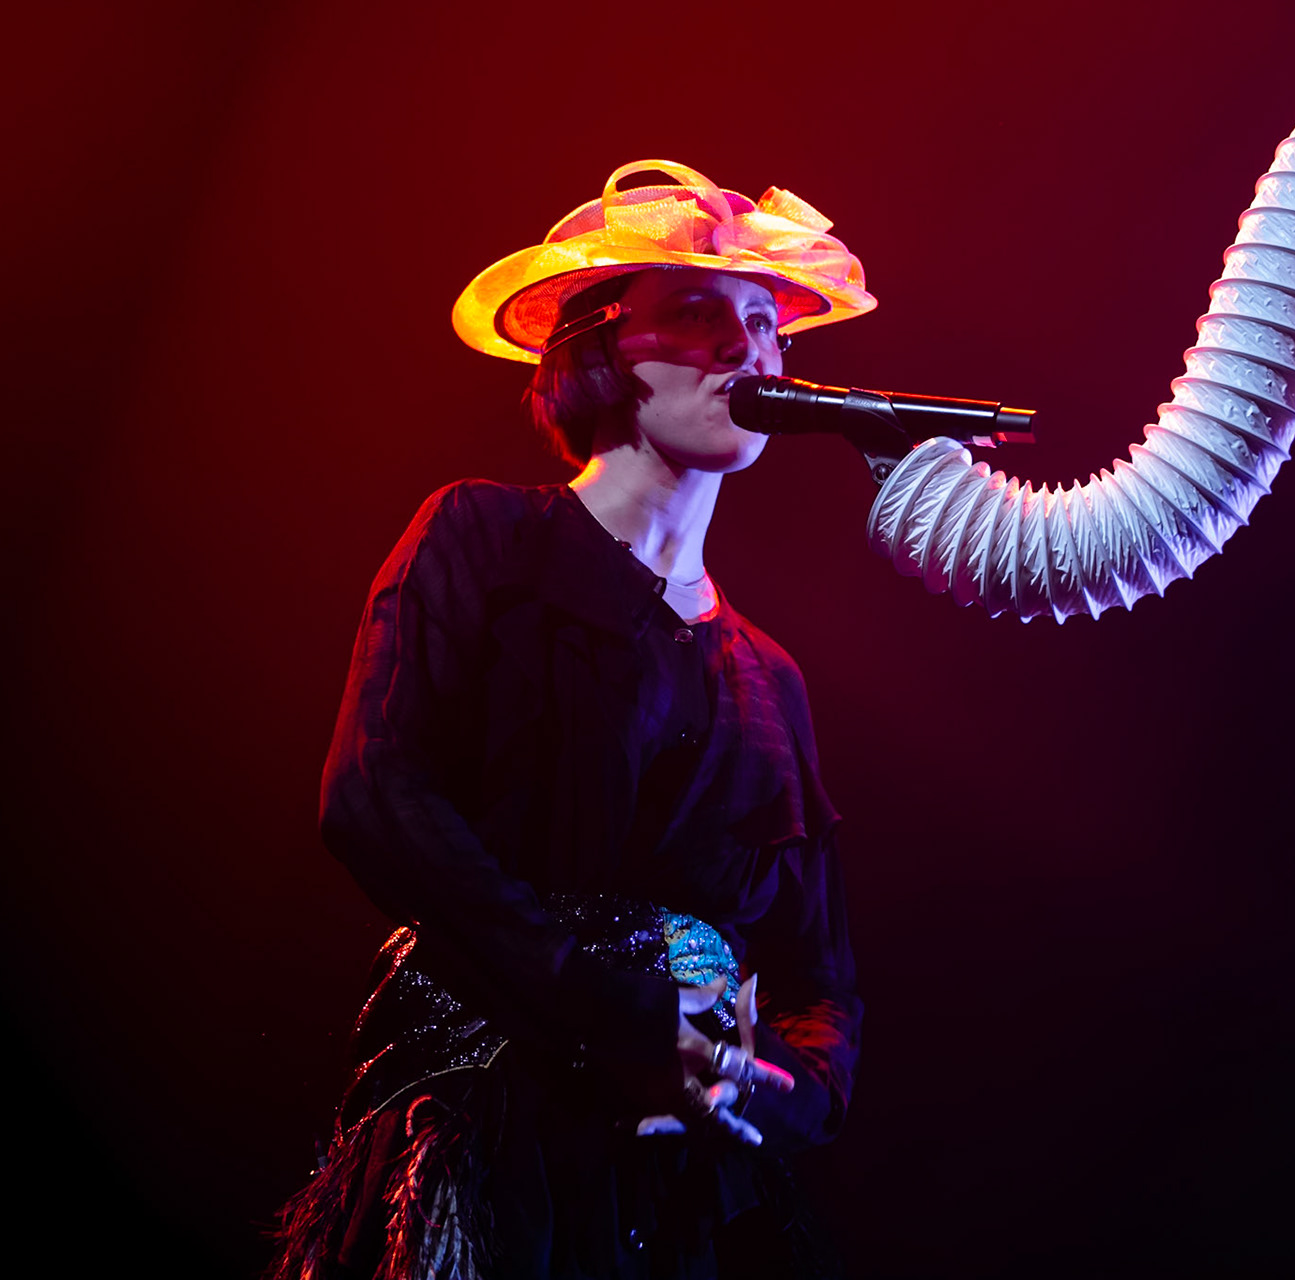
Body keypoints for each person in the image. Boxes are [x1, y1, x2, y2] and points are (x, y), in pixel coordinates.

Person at [270, 160, 875, 1280]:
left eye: (765, 323)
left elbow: (819, 975)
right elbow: (373, 795)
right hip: (493, 1129)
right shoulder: (483, 541)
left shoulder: (768, 674)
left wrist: (770, 1091)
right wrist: (607, 1005)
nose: (748, 349)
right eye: (698, 316)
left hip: (678, 1182)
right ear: (602, 348)